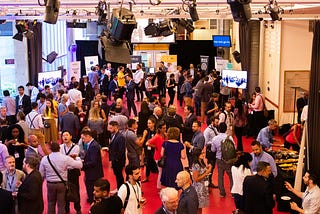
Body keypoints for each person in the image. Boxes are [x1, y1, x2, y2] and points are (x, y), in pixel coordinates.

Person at [39, 142, 83, 214]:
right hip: (62, 184)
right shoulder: (65, 158)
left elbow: (41, 173)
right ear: (59, 148)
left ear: (50, 149)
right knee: (61, 204)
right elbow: (79, 165)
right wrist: (77, 158)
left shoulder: (45, 159)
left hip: (50, 184)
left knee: (50, 203)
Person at [209, 122, 234, 198]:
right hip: (229, 159)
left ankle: (222, 193)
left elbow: (213, 150)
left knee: (220, 176)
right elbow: (234, 148)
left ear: (218, 129)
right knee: (231, 176)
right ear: (226, 128)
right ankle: (233, 192)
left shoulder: (215, 139)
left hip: (219, 159)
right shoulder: (229, 137)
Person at [59, 131, 82, 214]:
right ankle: (66, 209)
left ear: (71, 136)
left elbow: (71, 159)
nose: (65, 137)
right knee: (65, 190)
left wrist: (66, 158)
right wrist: (68, 158)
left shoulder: (76, 147)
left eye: (67, 135)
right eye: (63, 135)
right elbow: (62, 159)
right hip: (64, 171)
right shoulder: (60, 147)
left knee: (75, 190)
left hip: (73, 171)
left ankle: (78, 208)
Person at [81, 128, 104, 204]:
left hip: (93, 173)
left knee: (91, 188)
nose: (83, 140)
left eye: (83, 138)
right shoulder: (92, 144)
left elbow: (93, 161)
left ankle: (92, 202)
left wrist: (83, 165)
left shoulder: (93, 146)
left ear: (88, 136)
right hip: (93, 172)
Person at [146, 121, 166, 190]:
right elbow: (147, 143)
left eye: (165, 128)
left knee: (162, 172)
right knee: (160, 172)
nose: (165, 129)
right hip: (158, 157)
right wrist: (155, 146)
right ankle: (159, 186)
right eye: (163, 128)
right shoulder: (157, 136)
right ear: (160, 129)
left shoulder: (165, 135)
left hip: (164, 156)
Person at [191, 148, 212, 213]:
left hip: (202, 188)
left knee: (200, 207)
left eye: (203, 153)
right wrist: (206, 172)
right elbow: (196, 179)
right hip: (198, 189)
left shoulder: (201, 162)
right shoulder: (195, 165)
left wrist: (206, 169)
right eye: (201, 153)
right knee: (198, 207)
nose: (203, 154)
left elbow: (201, 172)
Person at [108, 121, 126, 190]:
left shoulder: (120, 137)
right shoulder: (113, 135)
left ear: (115, 127)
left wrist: (116, 159)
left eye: (111, 128)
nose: (109, 129)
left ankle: (121, 189)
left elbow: (121, 150)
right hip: (115, 160)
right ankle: (119, 188)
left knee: (119, 176)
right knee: (117, 175)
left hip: (118, 161)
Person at [141, 118, 158, 183]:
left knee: (156, 163)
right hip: (147, 150)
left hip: (155, 150)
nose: (148, 125)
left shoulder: (156, 132)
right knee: (147, 163)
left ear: (153, 124)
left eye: (150, 123)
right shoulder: (146, 131)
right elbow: (144, 141)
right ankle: (146, 177)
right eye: (148, 123)